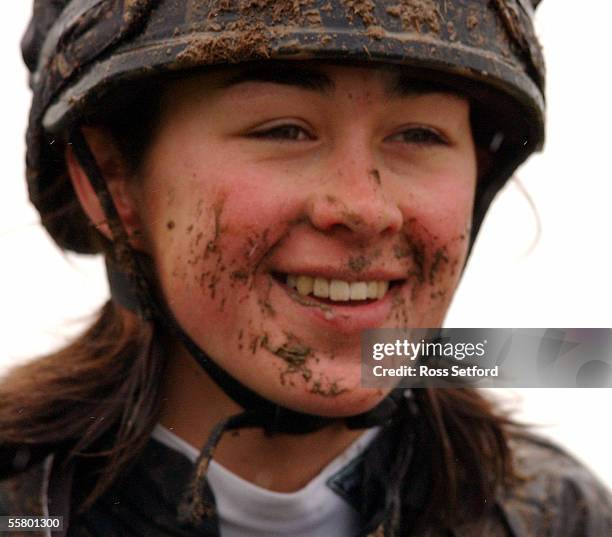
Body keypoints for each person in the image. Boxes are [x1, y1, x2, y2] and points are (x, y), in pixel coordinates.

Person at [1, 1, 611, 536]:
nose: (365, 209)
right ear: (112, 178)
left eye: (419, 134)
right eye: (285, 129)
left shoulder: (562, 519)